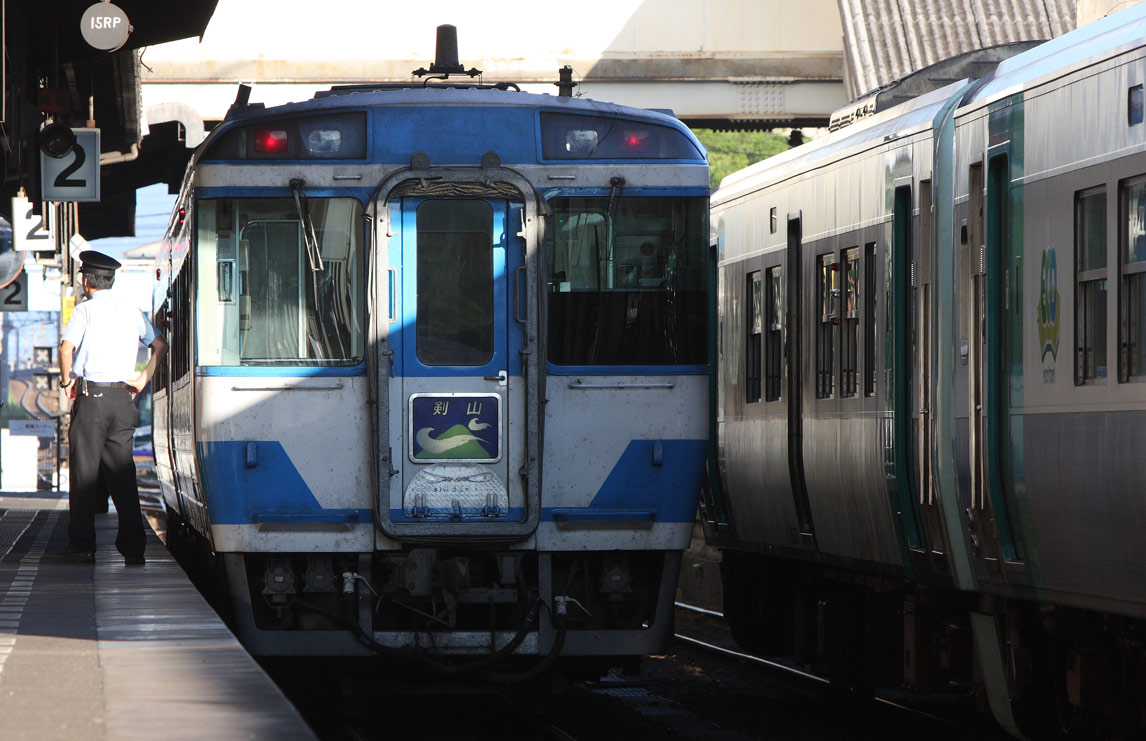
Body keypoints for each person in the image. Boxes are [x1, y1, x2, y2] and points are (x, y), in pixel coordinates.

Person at [54, 250, 168, 565]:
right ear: (111, 281)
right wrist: (144, 377)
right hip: (122, 399)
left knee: (85, 474)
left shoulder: (84, 311)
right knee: (123, 474)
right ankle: (134, 550)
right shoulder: (132, 311)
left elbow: (66, 351)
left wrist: (67, 385)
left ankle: (82, 545)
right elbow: (160, 345)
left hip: (91, 400)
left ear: (87, 280)